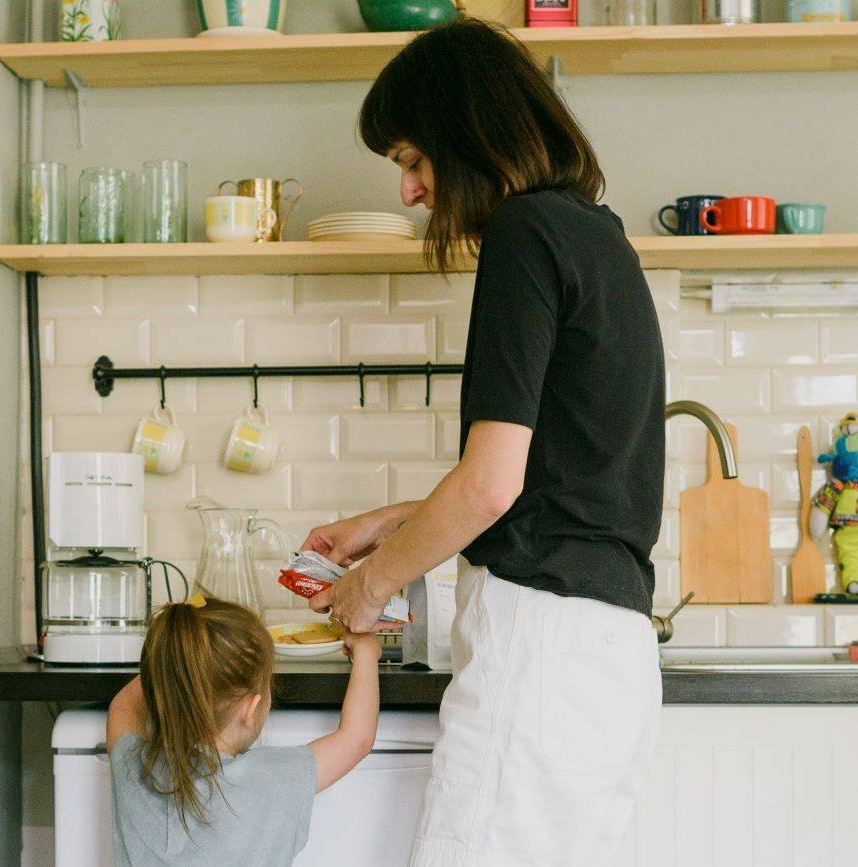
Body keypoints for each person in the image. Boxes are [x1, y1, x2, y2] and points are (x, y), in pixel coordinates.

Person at [300, 18, 665, 867]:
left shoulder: (523, 235)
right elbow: (546, 473)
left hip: (539, 648)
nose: (410, 193)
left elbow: (491, 487)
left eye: (413, 160)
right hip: (604, 660)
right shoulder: (597, 236)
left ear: (467, 135)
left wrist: (370, 584)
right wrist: (387, 524)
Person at [106, 596, 381, 866]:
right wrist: (367, 652)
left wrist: (176, 663)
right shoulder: (274, 778)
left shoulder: (133, 766)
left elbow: (123, 705)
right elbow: (356, 737)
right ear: (251, 709)